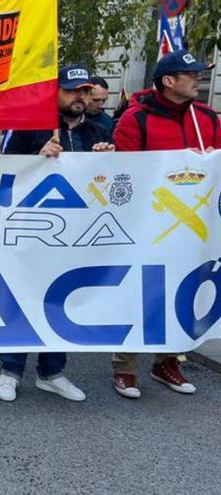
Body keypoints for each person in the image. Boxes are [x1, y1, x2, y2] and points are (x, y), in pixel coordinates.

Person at [0, 64, 114, 403]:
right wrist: (36, 157)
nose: (80, 96)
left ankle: (51, 372)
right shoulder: (30, 126)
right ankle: (10, 370)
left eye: (85, 90)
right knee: (24, 296)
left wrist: (109, 159)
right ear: (55, 92)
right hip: (33, 232)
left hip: (78, 235)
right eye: (72, 89)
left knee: (63, 300)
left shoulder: (100, 130)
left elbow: (114, 183)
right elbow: (3, 173)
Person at [110, 49, 220, 399]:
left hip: (195, 227)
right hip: (149, 224)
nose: (198, 80)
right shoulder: (135, 119)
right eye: (192, 75)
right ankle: (125, 367)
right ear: (169, 81)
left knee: (186, 291)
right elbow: (124, 175)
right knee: (143, 292)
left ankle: (167, 361)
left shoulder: (209, 118)